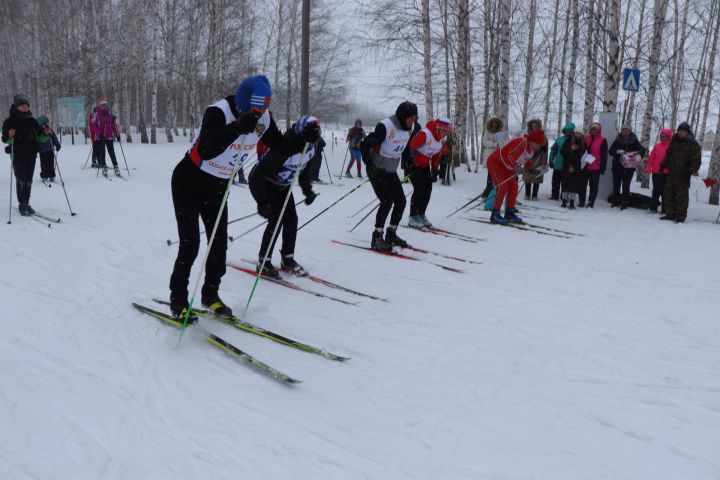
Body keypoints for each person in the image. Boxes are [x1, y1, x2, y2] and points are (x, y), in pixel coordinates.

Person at [168, 75, 283, 322]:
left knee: (219, 245)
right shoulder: (218, 112)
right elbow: (207, 149)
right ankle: (178, 299)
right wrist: (236, 127)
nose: (260, 113)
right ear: (244, 102)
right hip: (189, 181)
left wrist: (303, 136)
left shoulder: (264, 119)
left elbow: (280, 146)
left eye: (264, 108)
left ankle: (210, 295)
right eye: (256, 108)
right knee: (190, 245)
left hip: (217, 187)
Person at [249, 115, 321, 278]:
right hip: (264, 183)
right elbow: (257, 176)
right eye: (311, 135)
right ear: (302, 132)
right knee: (276, 219)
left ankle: (287, 259)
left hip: (282, 186)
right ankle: (264, 262)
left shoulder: (310, 148)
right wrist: (263, 202)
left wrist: (307, 191)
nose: (314, 139)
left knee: (291, 219)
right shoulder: (284, 147)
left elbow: (304, 172)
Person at [360, 101, 418, 251]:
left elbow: (404, 148)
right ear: (403, 116)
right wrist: (369, 164)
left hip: (391, 169)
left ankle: (391, 233)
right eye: (410, 118)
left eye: (414, 118)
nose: (413, 121)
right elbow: (365, 145)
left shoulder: (410, 128)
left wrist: (410, 164)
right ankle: (377, 236)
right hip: (377, 168)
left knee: (401, 201)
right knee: (387, 201)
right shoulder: (385, 126)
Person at [486, 129, 546, 224]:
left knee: (513, 186)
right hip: (496, 162)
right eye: (538, 144)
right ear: (533, 141)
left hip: (507, 166)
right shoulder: (522, 142)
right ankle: (495, 214)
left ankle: (509, 211)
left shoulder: (530, 150)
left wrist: (531, 169)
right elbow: (509, 156)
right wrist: (516, 167)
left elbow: (526, 159)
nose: (538, 147)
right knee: (502, 187)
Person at [407, 117, 452, 228]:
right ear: (438, 128)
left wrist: (435, 168)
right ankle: (413, 216)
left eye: (447, 131)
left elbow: (436, 153)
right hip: (414, 164)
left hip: (425, 166)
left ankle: (421, 214)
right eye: (443, 131)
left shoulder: (441, 139)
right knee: (419, 189)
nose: (444, 134)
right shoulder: (426, 134)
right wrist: (411, 162)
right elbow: (410, 146)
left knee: (428, 189)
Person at [2, 95, 41, 216]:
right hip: (17, 154)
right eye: (22, 106)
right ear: (16, 107)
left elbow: (39, 137)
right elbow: (5, 140)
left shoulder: (32, 121)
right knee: (21, 179)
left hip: (31, 153)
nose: (25, 108)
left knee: (29, 179)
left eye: (26, 106)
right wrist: (9, 135)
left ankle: (26, 203)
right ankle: (22, 204)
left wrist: (46, 133)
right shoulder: (9, 122)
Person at [659, 122, 702, 223]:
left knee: (681, 196)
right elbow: (668, 154)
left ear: (687, 132)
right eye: (679, 130)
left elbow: (696, 161)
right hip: (671, 174)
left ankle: (680, 216)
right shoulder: (673, 142)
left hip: (683, 175)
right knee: (668, 194)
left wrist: (690, 171)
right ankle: (670, 214)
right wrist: (662, 165)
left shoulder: (693, 144)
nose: (681, 133)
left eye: (683, 131)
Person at [609, 125, 645, 209]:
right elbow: (610, 151)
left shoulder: (634, 140)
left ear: (630, 132)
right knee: (616, 185)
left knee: (626, 185)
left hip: (629, 167)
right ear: (621, 132)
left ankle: (625, 203)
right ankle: (615, 201)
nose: (625, 132)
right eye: (623, 131)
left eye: (627, 131)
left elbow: (641, 149)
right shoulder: (617, 140)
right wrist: (617, 151)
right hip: (617, 166)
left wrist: (639, 155)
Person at [91, 98, 121, 177]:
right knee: (102, 153)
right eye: (102, 106)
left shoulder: (110, 114)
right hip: (101, 137)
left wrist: (117, 135)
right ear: (100, 107)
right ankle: (104, 167)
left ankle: (116, 167)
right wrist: (98, 133)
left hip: (109, 136)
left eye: (105, 106)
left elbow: (113, 126)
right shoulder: (96, 114)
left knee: (111, 152)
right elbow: (94, 125)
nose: (104, 108)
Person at [580, 122, 607, 208]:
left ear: (599, 130)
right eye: (592, 129)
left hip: (595, 167)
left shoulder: (603, 140)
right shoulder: (586, 138)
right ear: (590, 130)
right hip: (584, 165)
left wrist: (602, 168)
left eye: (596, 129)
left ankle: (591, 202)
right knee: (582, 185)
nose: (594, 131)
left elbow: (604, 155)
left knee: (593, 186)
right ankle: (581, 201)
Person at [645, 128, 672, 213]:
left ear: (669, 137)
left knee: (665, 192)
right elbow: (651, 158)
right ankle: (653, 207)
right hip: (656, 172)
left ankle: (665, 209)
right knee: (656, 190)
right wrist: (648, 167)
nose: (663, 137)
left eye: (665, 136)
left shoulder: (671, 147)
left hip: (666, 173)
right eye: (661, 136)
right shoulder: (657, 146)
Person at [522, 119, 548, 201]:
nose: (534, 128)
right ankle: (527, 194)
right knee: (528, 176)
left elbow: (545, 150)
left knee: (537, 176)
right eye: (533, 126)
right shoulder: (527, 135)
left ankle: (534, 195)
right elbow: (524, 147)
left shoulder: (543, 136)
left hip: (539, 159)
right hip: (529, 158)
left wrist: (544, 162)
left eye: (536, 126)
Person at [549, 122, 575, 201]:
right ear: (564, 130)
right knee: (555, 182)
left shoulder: (574, 141)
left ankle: (563, 197)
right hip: (557, 165)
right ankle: (554, 195)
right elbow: (553, 150)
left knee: (565, 182)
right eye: (567, 130)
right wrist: (551, 159)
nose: (568, 132)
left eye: (570, 131)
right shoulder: (559, 139)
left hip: (567, 166)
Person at [560, 132, 586, 209]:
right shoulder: (568, 141)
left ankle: (572, 201)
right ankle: (564, 200)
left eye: (580, 133)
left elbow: (584, 155)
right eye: (576, 133)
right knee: (565, 184)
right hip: (566, 166)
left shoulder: (583, 143)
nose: (578, 135)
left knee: (574, 185)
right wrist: (570, 149)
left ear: (582, 135)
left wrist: (577, 151)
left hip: (576, 167)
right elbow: (562, 152)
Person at [481, 116, 505, 198]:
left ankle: (493, 193)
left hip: (498, 156)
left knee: (496, 176)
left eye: (496, 123)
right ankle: (486, 193)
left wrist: (500, 144)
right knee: (490, 176)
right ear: (491, 123)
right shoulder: (487, 131)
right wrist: (494, 144)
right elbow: (484, 142)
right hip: (489, 156)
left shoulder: (501, 132)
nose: (494, 124)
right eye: (493, 122)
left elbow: (503, 143)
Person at [36, 115, 62, 185]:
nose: (47, 125)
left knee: (50, 163)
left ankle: (51, 175)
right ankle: (44, 175)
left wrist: (57, 144)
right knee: (44, 164)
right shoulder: (39, 132)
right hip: (42, 151)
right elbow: (38, 140)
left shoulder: (50, 130)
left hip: (50, 149)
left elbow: (54, 137)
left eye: (47, 123)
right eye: (46, 124)